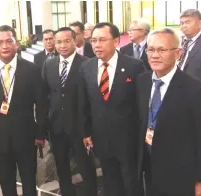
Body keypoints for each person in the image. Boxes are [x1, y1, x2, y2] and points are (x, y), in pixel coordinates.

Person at [137, 27, 201, 196]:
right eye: (150, 49)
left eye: (162, 50)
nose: (155, 55)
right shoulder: (142, 82)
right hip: (149, 168)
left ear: (178, 53)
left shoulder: (197, 90)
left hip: (181, 173)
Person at [0, 25, 47, 196]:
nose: (5, 46)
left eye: (9, 41)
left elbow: (42, 104)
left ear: (16, 43)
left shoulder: (32, 70)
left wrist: (40, 133)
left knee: (29, 181)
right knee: (6, 182)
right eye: (0, 42)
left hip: (26, 137)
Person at [78, 22, 145, 196]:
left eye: (101, 40)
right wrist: (86, 132)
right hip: (102, 138)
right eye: (93, 40)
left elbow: (142, 104)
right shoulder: (87, 67)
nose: (96, 45)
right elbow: (84, 103)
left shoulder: (134, 66)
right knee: (110, 182)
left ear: (116, 41)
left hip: (129, 139)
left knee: (131, 183)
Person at [41, 27, 97, 196]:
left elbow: (92, 99)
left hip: (80, 127)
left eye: (67, 41)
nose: (62, 45)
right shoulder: (49, 64)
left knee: (85, 166)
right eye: (58, 41)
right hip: (57, 126)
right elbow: (45, 95)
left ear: (75, 41)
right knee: (61, 166)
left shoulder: (87, 63)